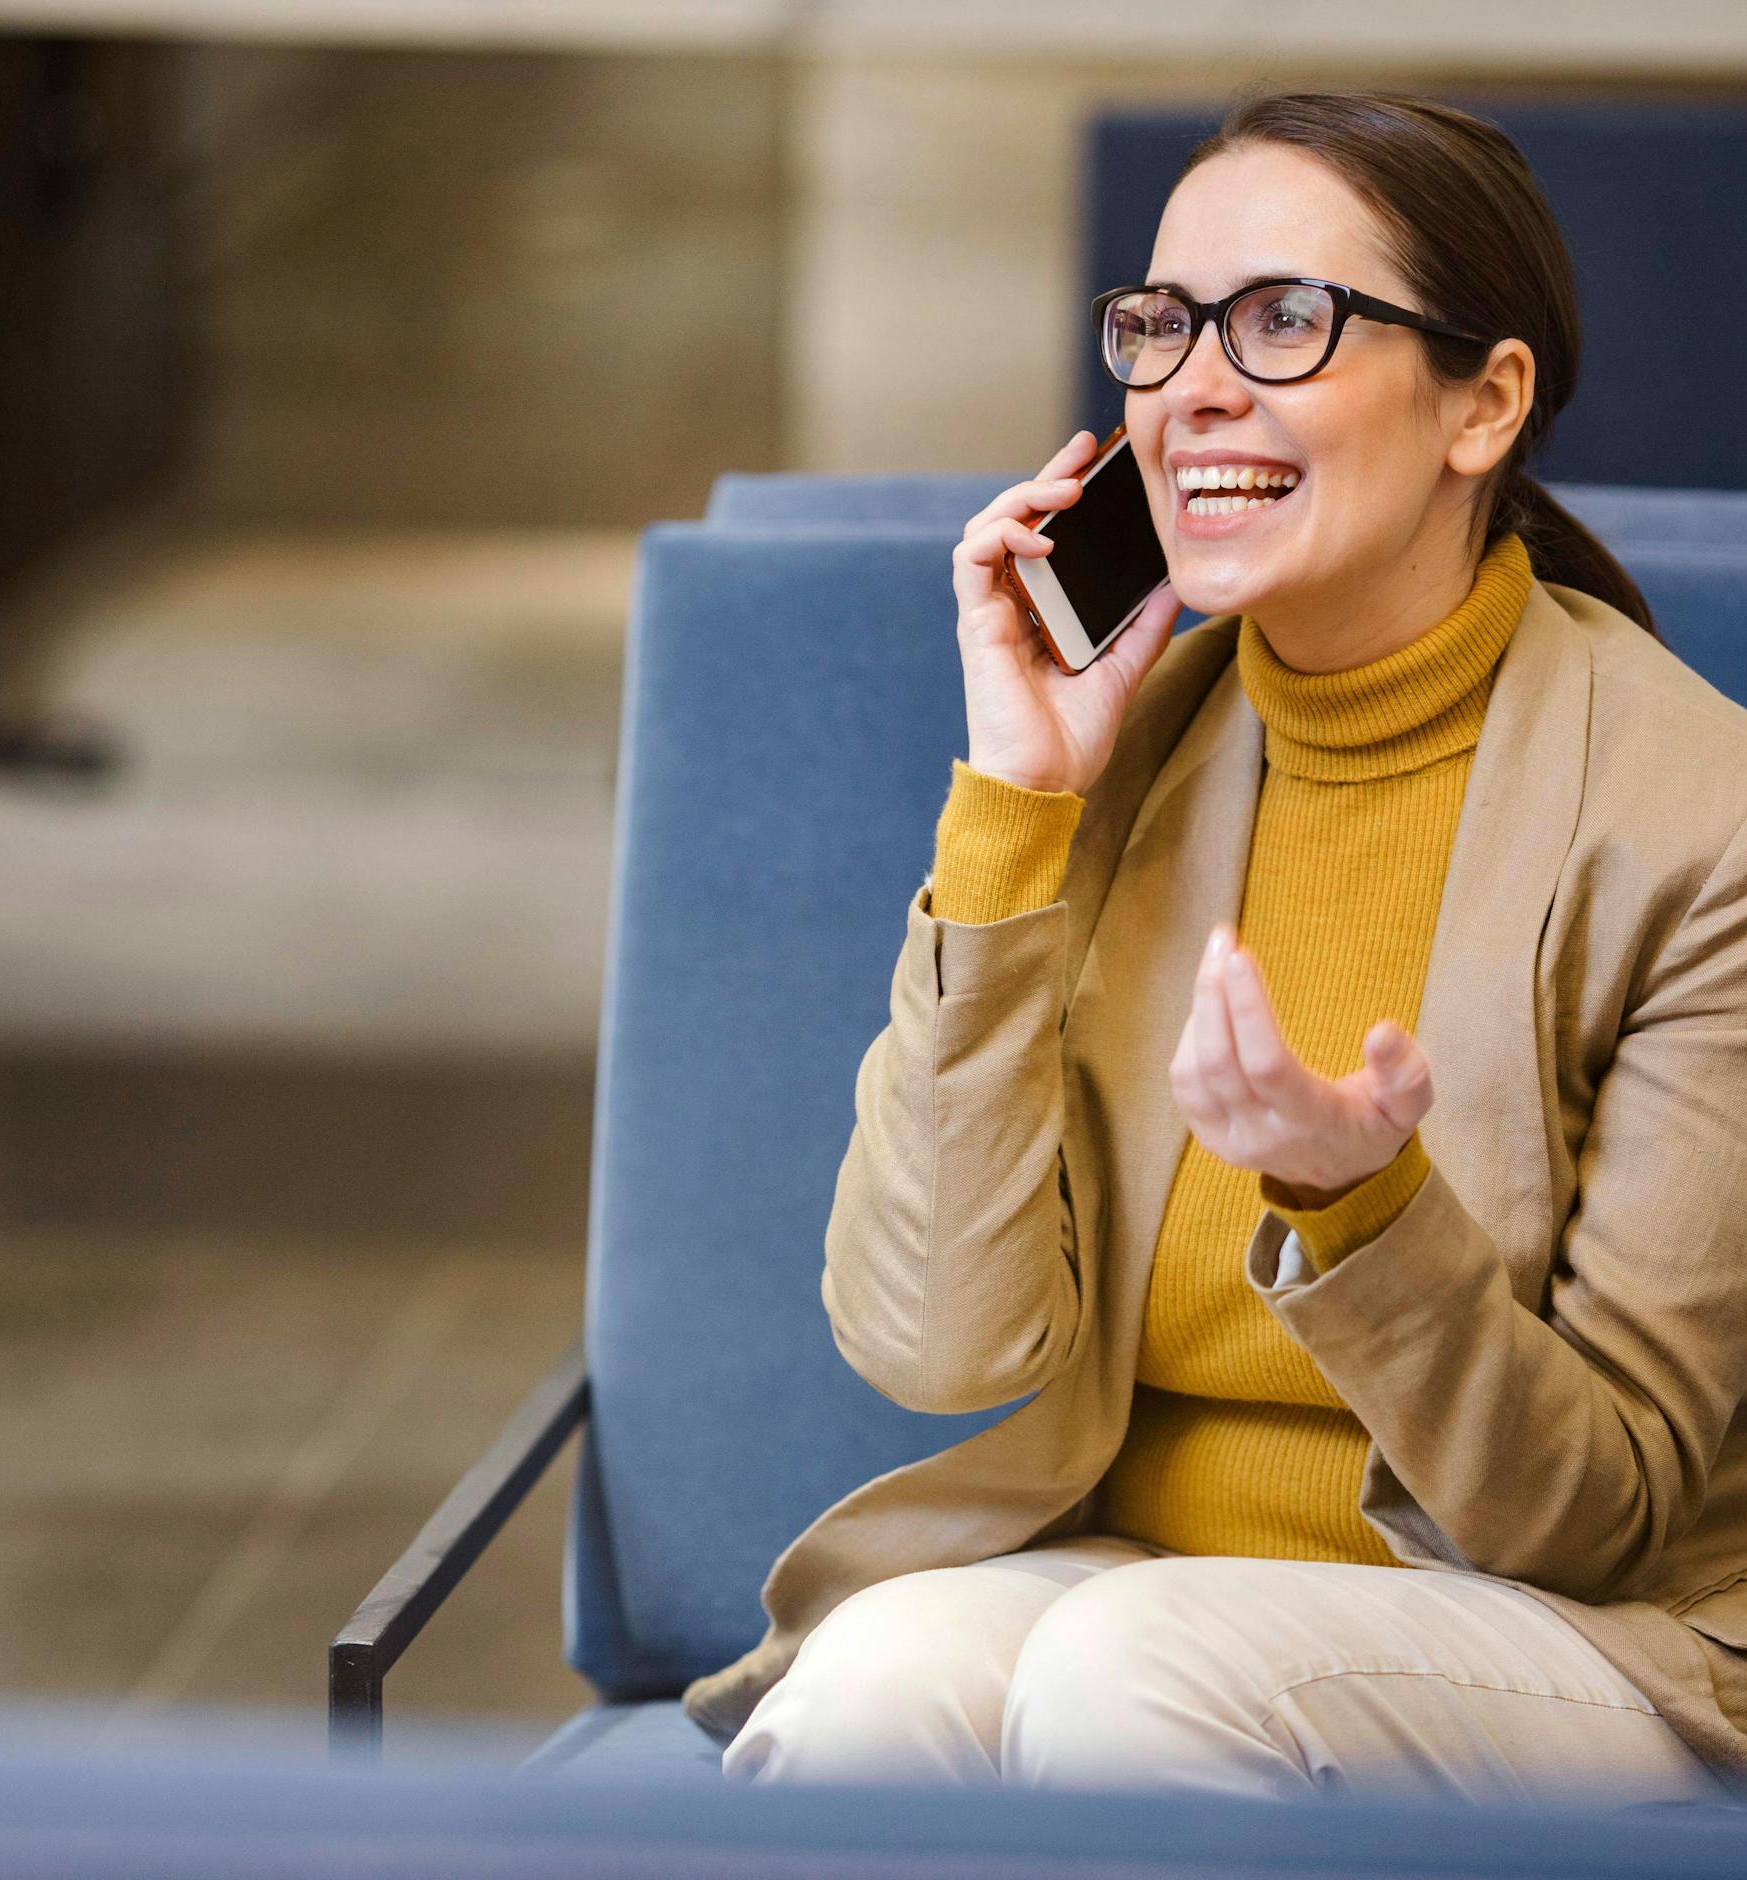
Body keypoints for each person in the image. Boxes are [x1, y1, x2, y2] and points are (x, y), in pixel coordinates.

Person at [676, 89, 1747, 1806]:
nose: (1194, 387)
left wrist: (1359, 1210)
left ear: (1485, 402)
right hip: (1157, 1593)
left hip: (1574, 1636)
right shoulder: (1131, 754)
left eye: (1285, 321)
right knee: (877, 1677)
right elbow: (936, 1344)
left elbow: (1594, 1513)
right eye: (1162, 326)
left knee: (1133, 1670)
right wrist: (1014, 812)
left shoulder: (1705, 826)